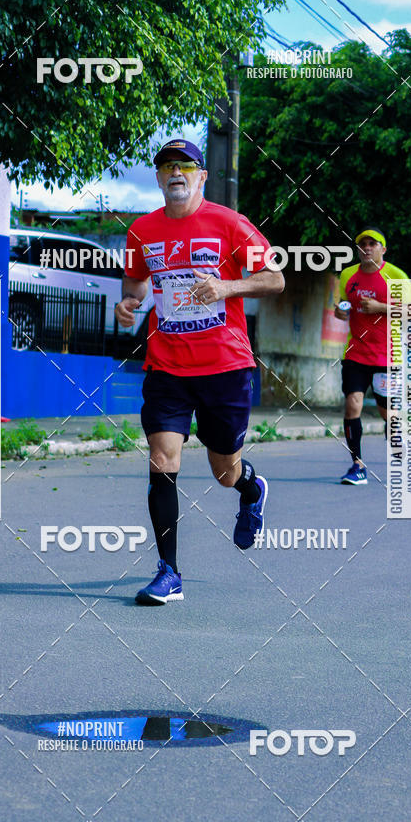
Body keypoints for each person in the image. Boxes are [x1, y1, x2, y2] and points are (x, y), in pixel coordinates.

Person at [115, 138, 285, 604]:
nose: (176, 172)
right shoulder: (143, 230)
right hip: (167, 365)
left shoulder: (229, 224)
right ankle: (168, 572)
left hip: (224, 367)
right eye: (167, 165)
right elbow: (135, 280)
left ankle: (251, 489)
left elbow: (275, 279)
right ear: (157, 177)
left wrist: (227, 286)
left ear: (201, 175)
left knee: (223, 471)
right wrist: (130, 303)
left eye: (185, 165)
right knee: (162, 459)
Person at [334, 226, 411, 485]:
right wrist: (341, 312)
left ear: (383, 249)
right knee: (352, 404)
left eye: (373, 244)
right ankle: (357, 465)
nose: (367, 248)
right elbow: (344, 304)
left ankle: (398, 452)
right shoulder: (347, 275)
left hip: (387, 357)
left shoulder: (395, 275)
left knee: (387, 413)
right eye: (362, 244)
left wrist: (381, 307)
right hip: (355, 353)